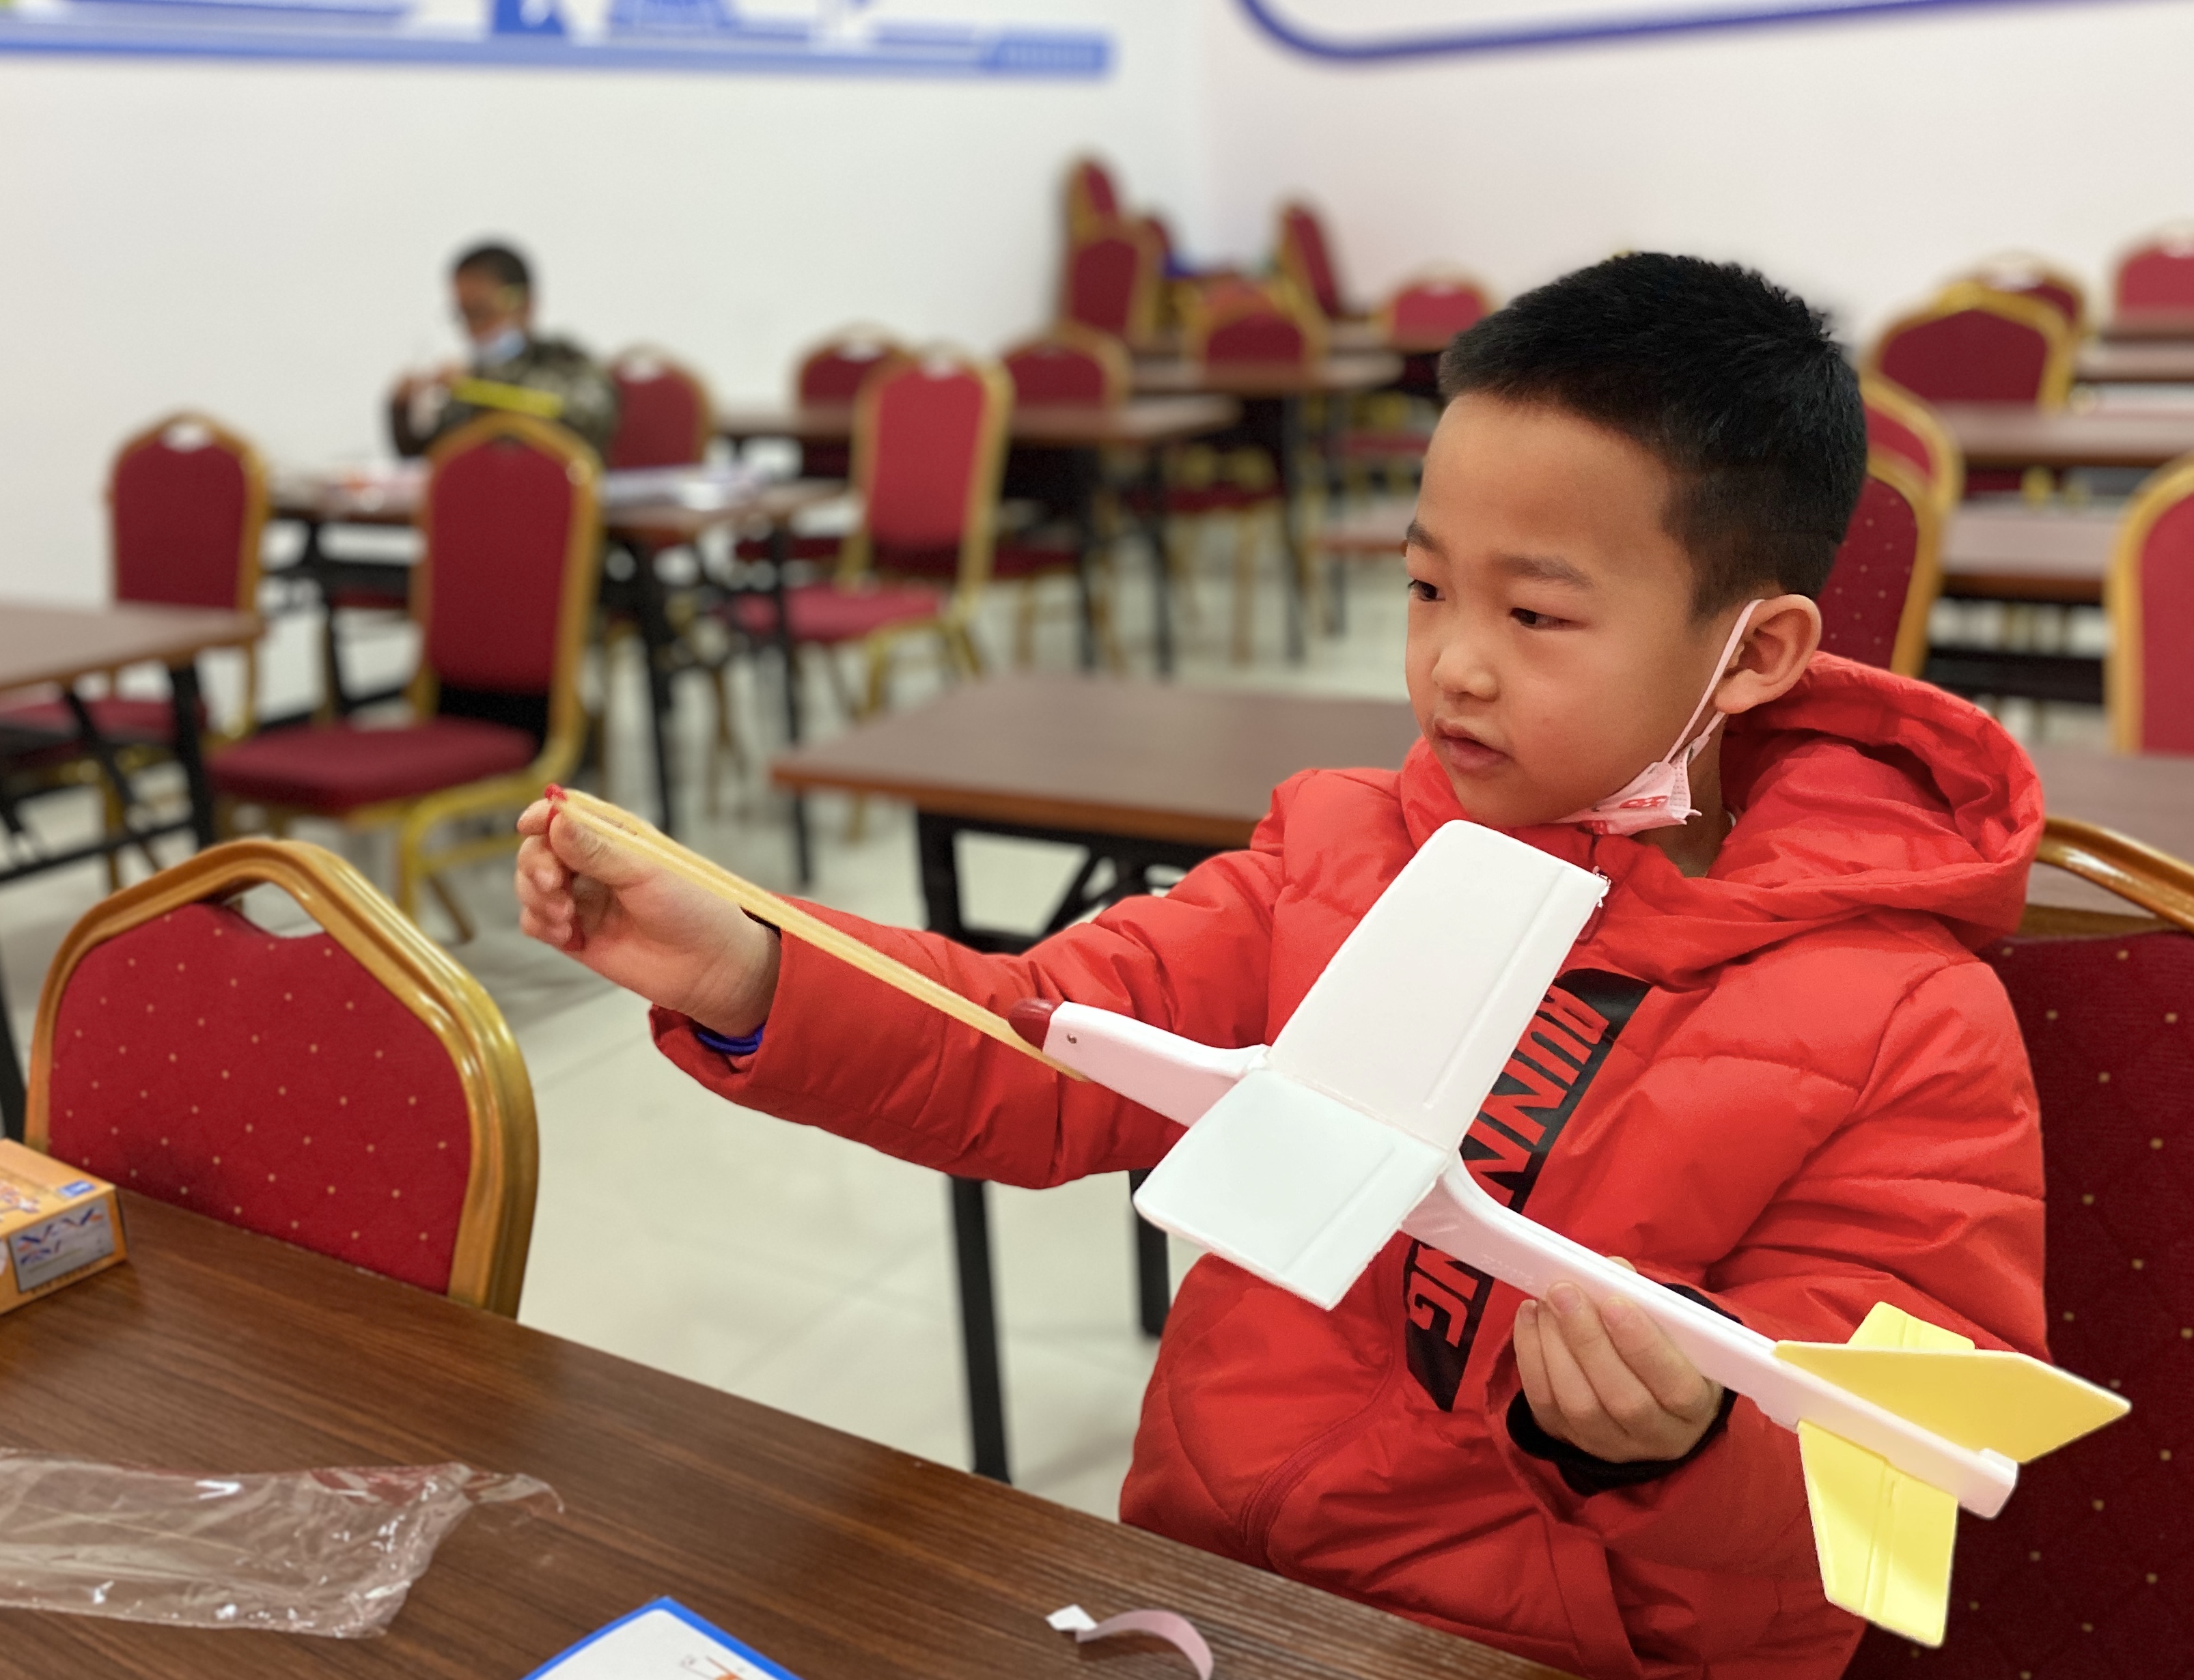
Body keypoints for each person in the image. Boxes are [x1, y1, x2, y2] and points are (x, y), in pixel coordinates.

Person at [512, 254, 2046, 1679]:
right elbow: (1043, 1048)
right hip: (1214, 1588)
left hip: (1549, 1648)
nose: (1452, 664)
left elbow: (1907, 1468)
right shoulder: (1341, 852)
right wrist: (750, 972)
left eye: (1534, 613)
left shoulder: (1909, 1017)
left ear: (1755, 652)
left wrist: (1681, 1440)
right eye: (1426, 588)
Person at [389, 242, 617, 458]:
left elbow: (588, 418)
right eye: (464, 315)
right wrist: (403, 409)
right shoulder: (467, 382)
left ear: (524, 305)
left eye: (481, 311)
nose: (473, 329)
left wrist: (480, 388)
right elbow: (434, 457)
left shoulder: (566, 362)